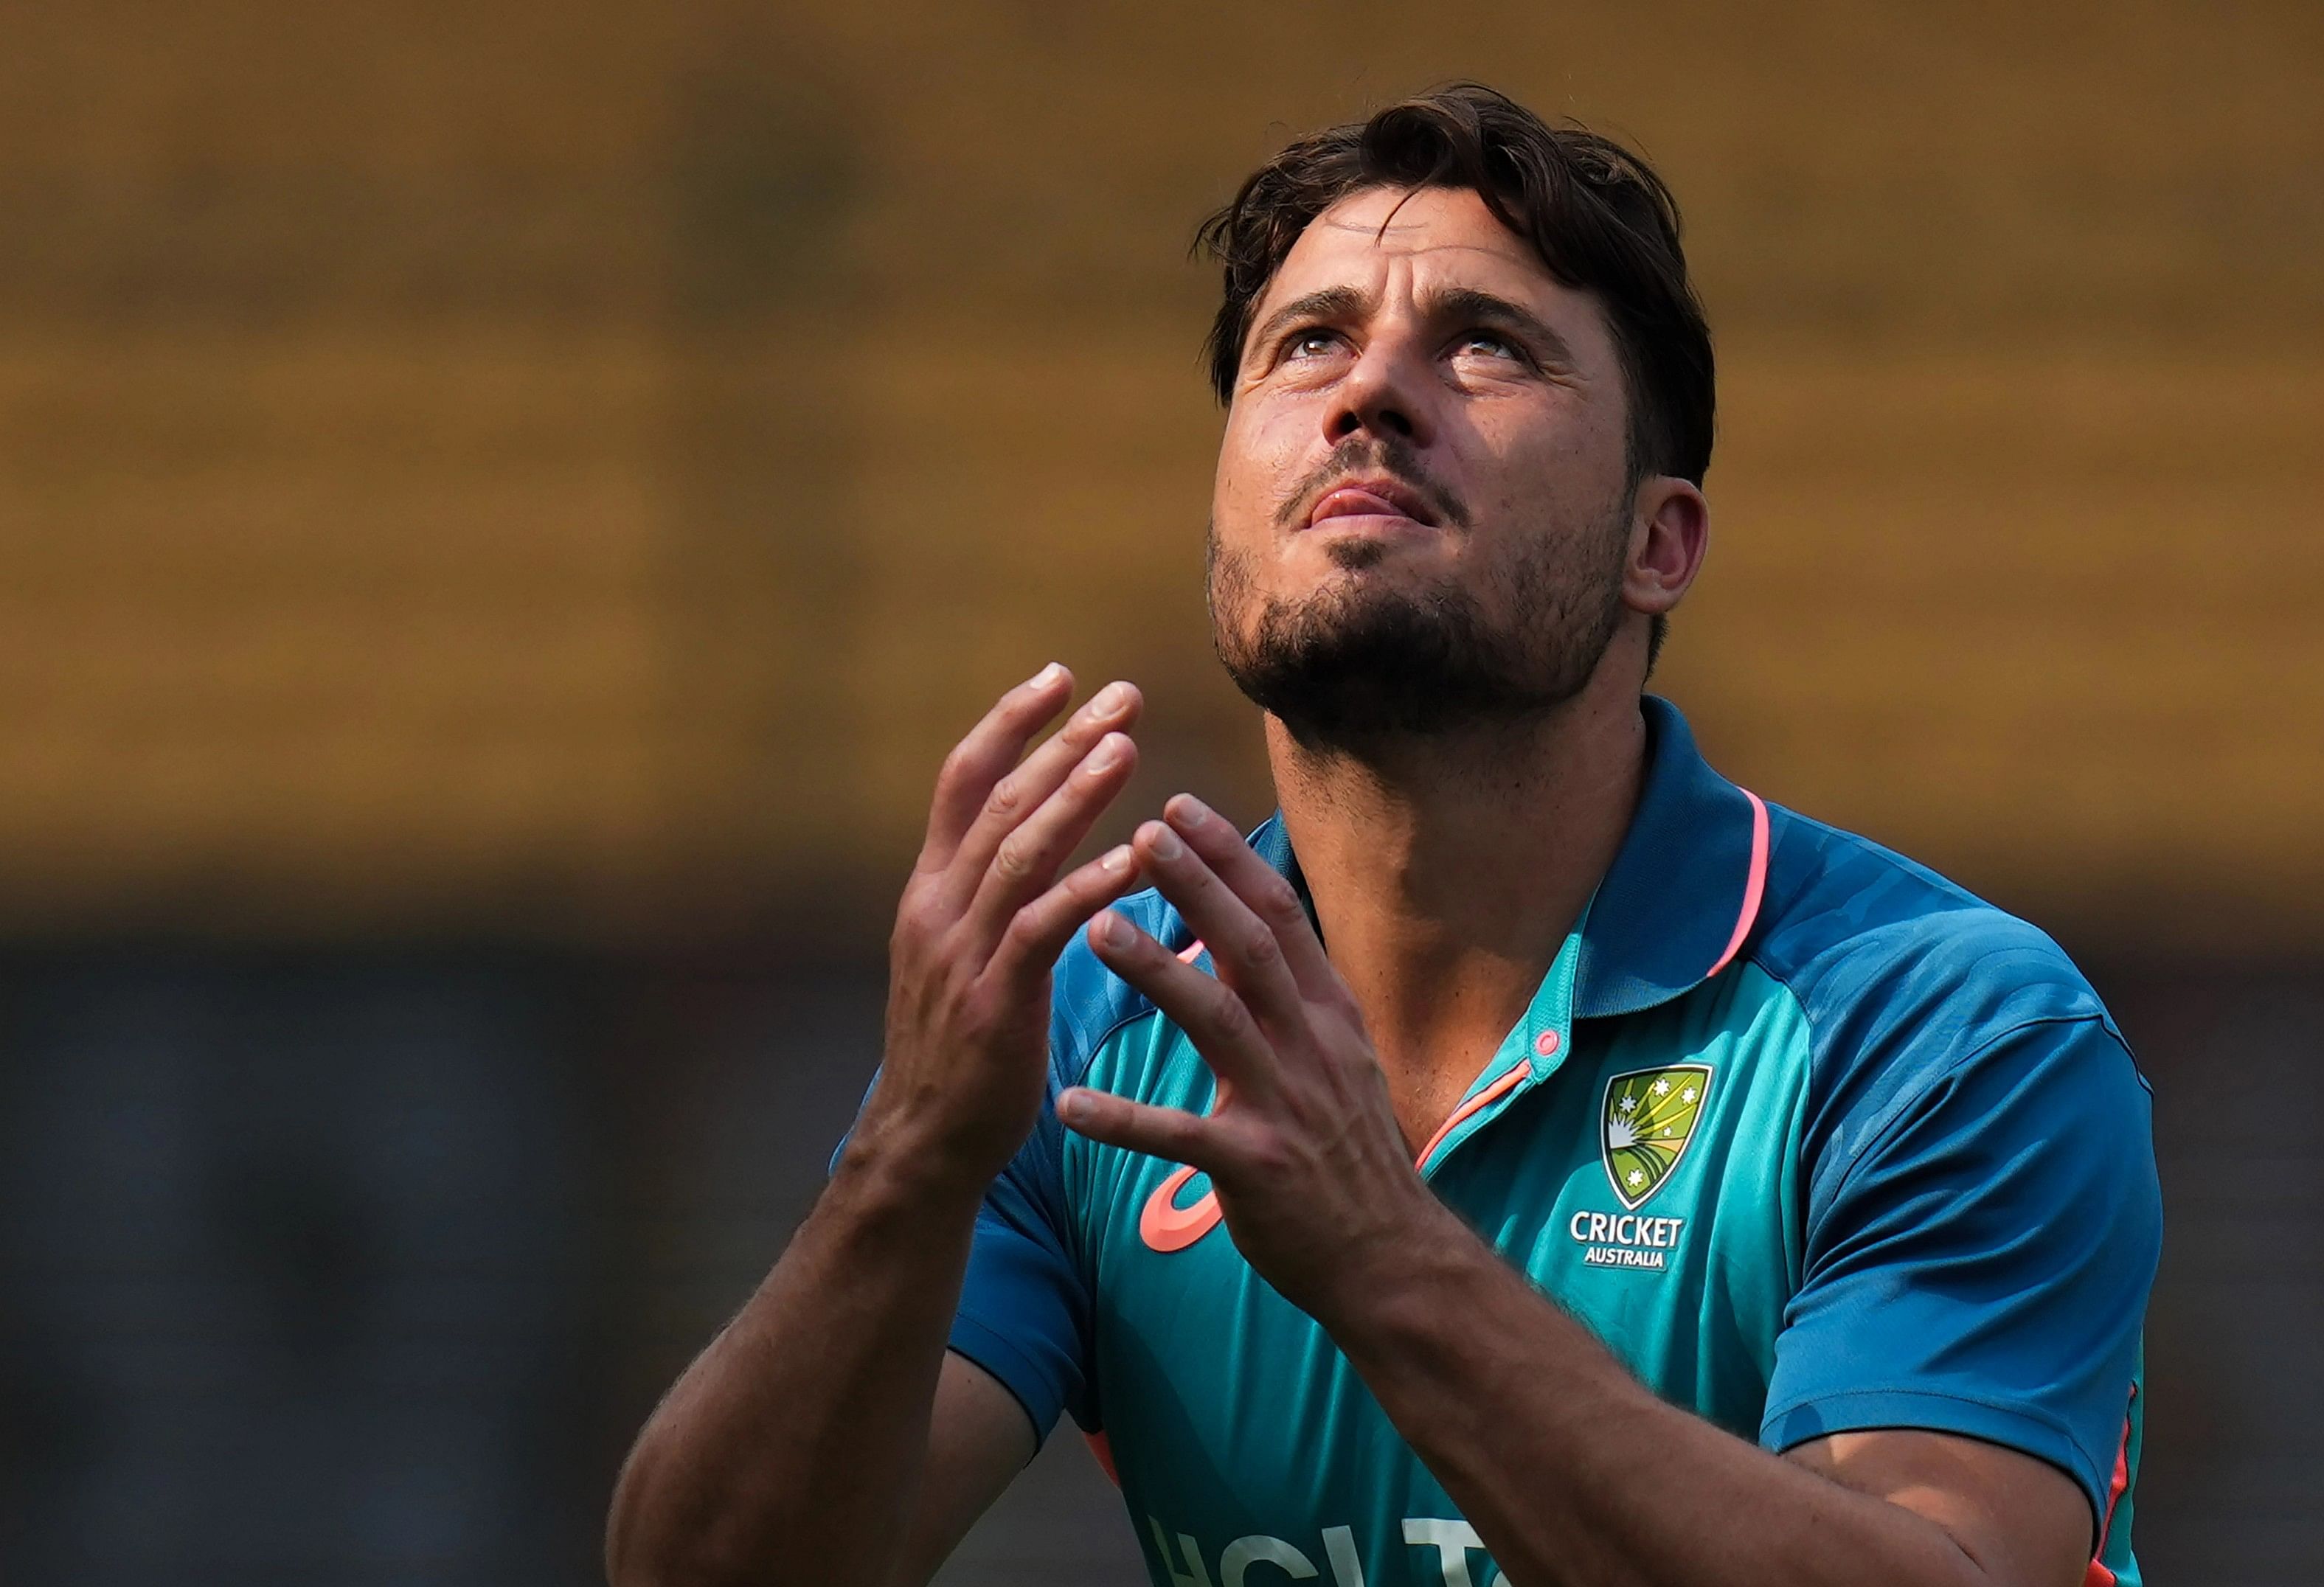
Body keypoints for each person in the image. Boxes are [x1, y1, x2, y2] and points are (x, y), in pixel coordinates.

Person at [607, 83, 2160, 1587]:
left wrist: (1380, 1256)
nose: (1365, 391)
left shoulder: (1943, 1027)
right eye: (1307, 343)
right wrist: (906, 1159)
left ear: (1655, 542)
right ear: (1225, 507)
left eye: (1485, 345)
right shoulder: (1092, 1016)